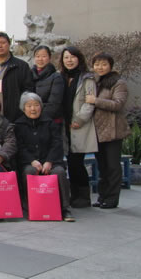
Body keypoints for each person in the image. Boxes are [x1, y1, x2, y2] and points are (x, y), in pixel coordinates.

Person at [14, 92, 75, 222]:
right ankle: (31, 207)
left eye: (36, 105)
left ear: (41, 107)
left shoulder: (49, 122)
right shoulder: (19, 125)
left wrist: (49, 161)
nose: (33, 109)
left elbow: (57, 143)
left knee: (59, 172)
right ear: (23, 108)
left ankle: (65, 208)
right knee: (29, 172)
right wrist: (32, 161)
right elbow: (20, 147)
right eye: (29, 106)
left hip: (50, 161)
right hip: (30, 162)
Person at [86, 52, 130, 209]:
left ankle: (112, 199)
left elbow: (118, 104)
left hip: (113, 131)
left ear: (110, 66)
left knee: (112, 166)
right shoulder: (94, 82)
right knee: (102, 166)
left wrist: (95, 101)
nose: (100, 67)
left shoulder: (118, 83)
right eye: (97, 64)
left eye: (104, 64)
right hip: (98, 131)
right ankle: (102, 197)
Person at [59, 46, 97, 208]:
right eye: (66, 57)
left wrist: (80, 119)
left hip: (78, 125)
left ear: (79, 59)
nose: (69, 60)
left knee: (76, 162)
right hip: (64, 125)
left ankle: (83, 196)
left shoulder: (87, 78)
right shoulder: (60, 77)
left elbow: (90, 102)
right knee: (71, 161)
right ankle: (74, 195)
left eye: (72, 57)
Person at [0, 32, 34, 122]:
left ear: (9, 44)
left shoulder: (21, 66)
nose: (0, 46)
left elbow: (28, 90)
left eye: (3, 43)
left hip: (15, 115)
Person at [31, 45, 64, 121]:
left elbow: (54, 104)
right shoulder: (29, 74)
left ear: (49, 58)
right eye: (37, 56)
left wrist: (38, 118)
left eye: (44, 56)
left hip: (50, 120)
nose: (40, 59)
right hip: (31, 118)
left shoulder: (56, 77)